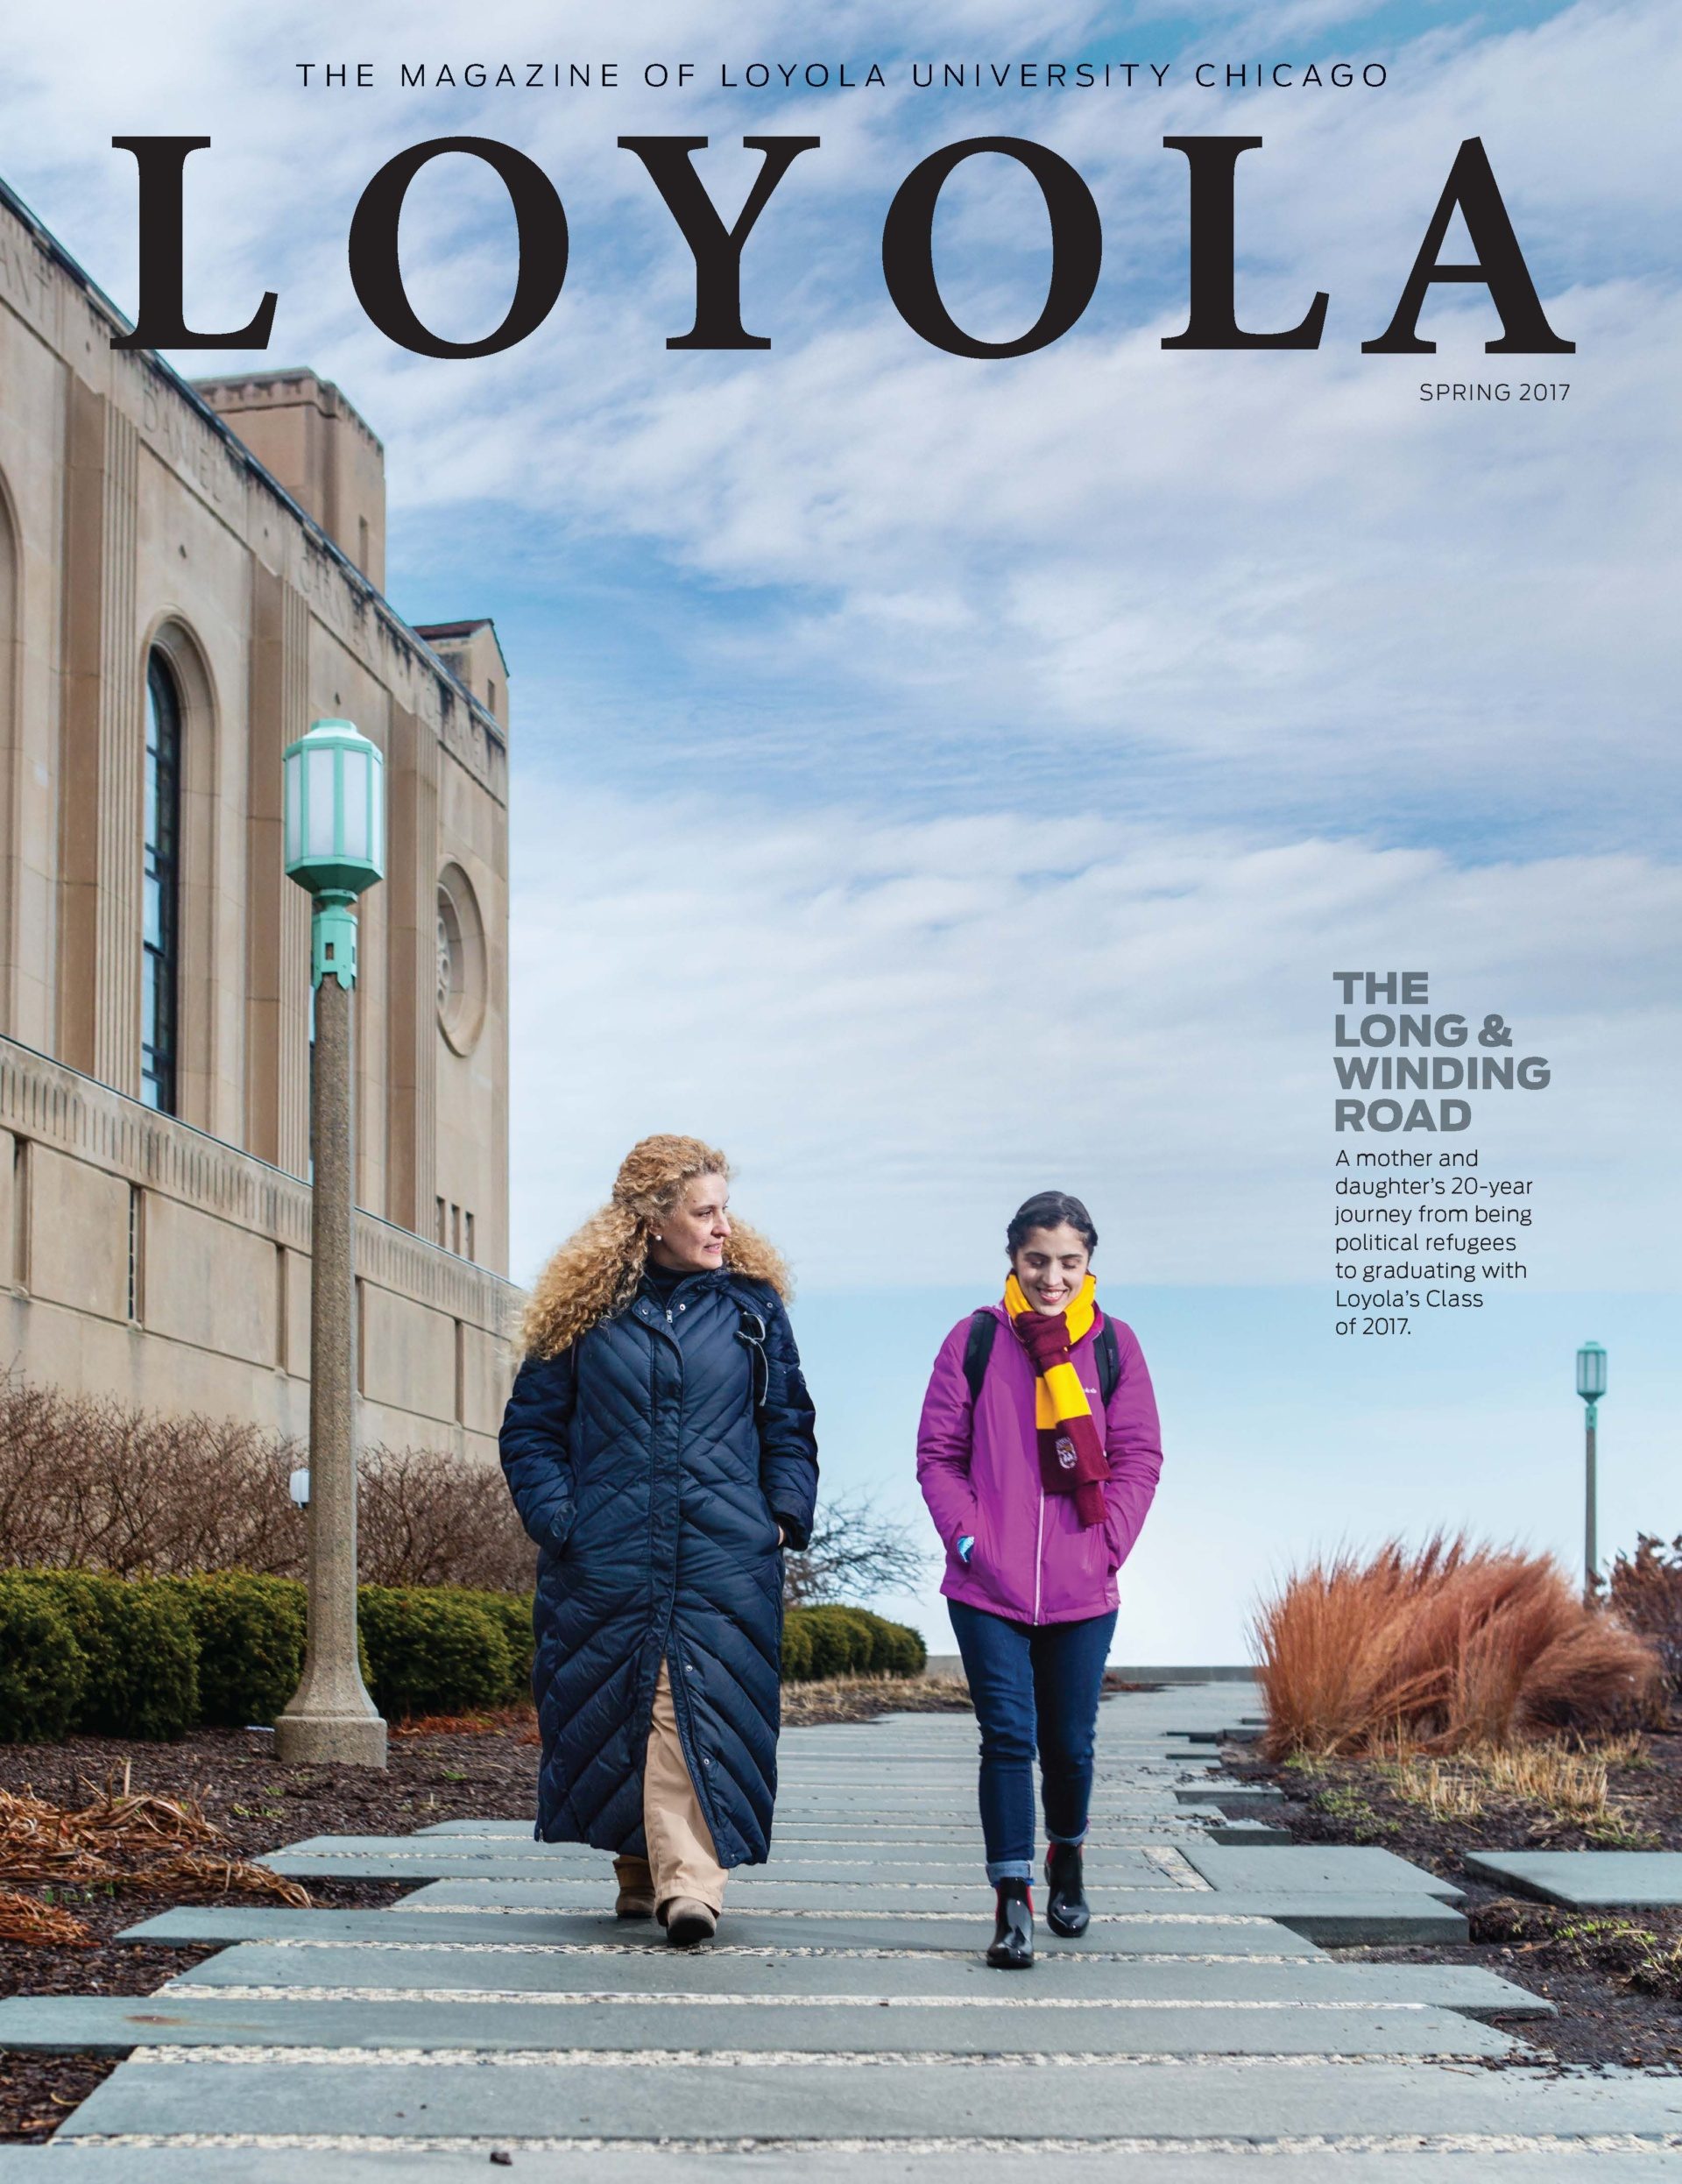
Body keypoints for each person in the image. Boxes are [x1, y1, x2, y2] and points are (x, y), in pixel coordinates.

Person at [500, 1134, 818, 1947]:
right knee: (624, 1709)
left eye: (724, 1208)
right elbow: (531, 1431)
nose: (722, 1226)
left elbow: (787, 1421)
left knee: (693, 1702)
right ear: (653, 1220)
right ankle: (642, 1869)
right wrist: (562, 1521)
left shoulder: (752, 1307)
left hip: (724, 1552)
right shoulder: (584, 1311)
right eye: (703, 1211)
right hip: (608, 1553)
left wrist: (780, 1515)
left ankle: (691, 1884)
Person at [915, 1191, 1163, 1968]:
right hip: (985, 1585)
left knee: (1069, 1745)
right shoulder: (975, 1340)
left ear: (1088, 1262)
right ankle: (1012, 1900)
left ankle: (1068, 1854)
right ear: (1013, 1260)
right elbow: (937, 1454)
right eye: (1036, 1260)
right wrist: (967, 1539)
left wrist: (1106, 1544)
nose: (1052, 1277)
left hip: (1082, 1588)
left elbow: (1139, 1459)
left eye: (1069, 1262)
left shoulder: (1115, 1347)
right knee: (1008, 1740)